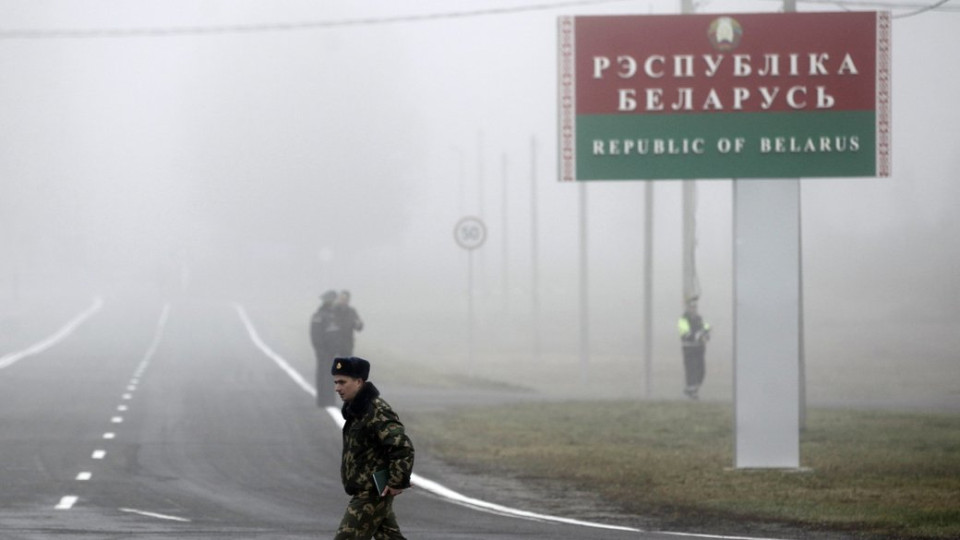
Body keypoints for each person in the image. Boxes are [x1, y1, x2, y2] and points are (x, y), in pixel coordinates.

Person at [331, 357, 414, 540]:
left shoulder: (376, 411)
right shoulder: (357, 412)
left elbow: (402, 446)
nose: (337, 388)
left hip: (372, 493)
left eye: (342, 382)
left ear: (359, 382)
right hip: (369, 490)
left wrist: (396, 481)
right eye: (336, 382)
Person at [310, 290, 341, 407]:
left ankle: (330, 400)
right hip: (323, 351)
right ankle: (322, 401)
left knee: (331, 376)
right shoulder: (319, 315)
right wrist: (320, 350)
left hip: (332, 351)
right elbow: (315, 335)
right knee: (323, 375)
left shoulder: (333, 315)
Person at [678, 299, 711, 400]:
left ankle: (692, 389)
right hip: (689, 349)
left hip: (699, 348)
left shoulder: (698, 318)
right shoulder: (683, 319)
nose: (693, 309)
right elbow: (685, 334)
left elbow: (705, 327)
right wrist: (697, 335)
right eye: (691, 307)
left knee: (701, 371)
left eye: (695, 307)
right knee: (691, 370)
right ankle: (692, 391)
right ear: (687, 308)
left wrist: (706, 332)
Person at [334, 290, 364, 357]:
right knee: (334, 365)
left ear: (348, 300)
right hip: (333, 345)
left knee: (345, 365)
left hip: (347, 345)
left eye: (346, 299)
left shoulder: (352, 312)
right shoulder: (332, 310)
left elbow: (358, 326)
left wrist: (359, 325)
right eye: (342, 298)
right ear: (338, 299)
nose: (344, 301)